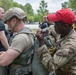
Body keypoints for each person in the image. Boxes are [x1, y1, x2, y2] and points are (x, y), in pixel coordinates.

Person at [0, 7, 50, 75]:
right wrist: (6, 53)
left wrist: (5, 56)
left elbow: (4, 61)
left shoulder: (21, 38)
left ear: (14, 20)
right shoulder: (29, 32)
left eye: (8, 22)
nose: (8, 25)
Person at [36, 8, 76, 75]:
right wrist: (45, 30)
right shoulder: (63, 32)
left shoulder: (70, 45)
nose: (54, 26)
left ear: (65, 26)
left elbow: (51, 66)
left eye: (56, 24)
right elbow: (52, 30)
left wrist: (42, 44)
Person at [0, 6, 9, 75]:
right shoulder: (0, 23)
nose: (4, 14)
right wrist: (9, 49)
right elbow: (2, 37)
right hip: (1, 52)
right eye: (2, 13)